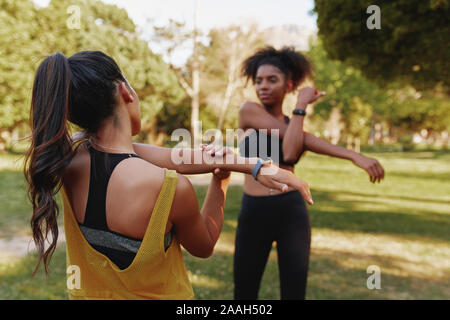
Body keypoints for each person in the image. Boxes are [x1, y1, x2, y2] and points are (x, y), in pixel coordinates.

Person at [23, 50, 314, 300]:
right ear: (127, 92)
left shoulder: (69, 159)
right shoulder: (168, 188)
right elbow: (204, 245)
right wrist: (221, 179)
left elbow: (175, 157)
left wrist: (253, 166)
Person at [235, 46, 385, 300]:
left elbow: (292, 150)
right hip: (254, 210)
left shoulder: (293, 122)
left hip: (290, 211)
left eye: (273, 80)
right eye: (259, 80)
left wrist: (355, 156)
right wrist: (301, 106)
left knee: (294, 291)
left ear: (288, 85)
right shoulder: (248, 111)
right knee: (245, 291)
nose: (263, 86)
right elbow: (294, 144)